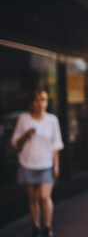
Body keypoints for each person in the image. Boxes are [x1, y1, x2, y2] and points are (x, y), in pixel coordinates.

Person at [11, 90, 64, 237]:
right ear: (31, 103)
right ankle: (36, 226)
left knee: (43, 197)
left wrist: (56, 165)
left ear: (46, 103)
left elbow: (56, 145)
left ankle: (47, 227)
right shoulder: (24, 119)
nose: (39, 103)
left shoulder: (52, 120)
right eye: (36, 100)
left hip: (46, 165)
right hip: (27, 164)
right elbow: (15, 143)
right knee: (33, 198)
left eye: (43, 100)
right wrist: (26, 135)